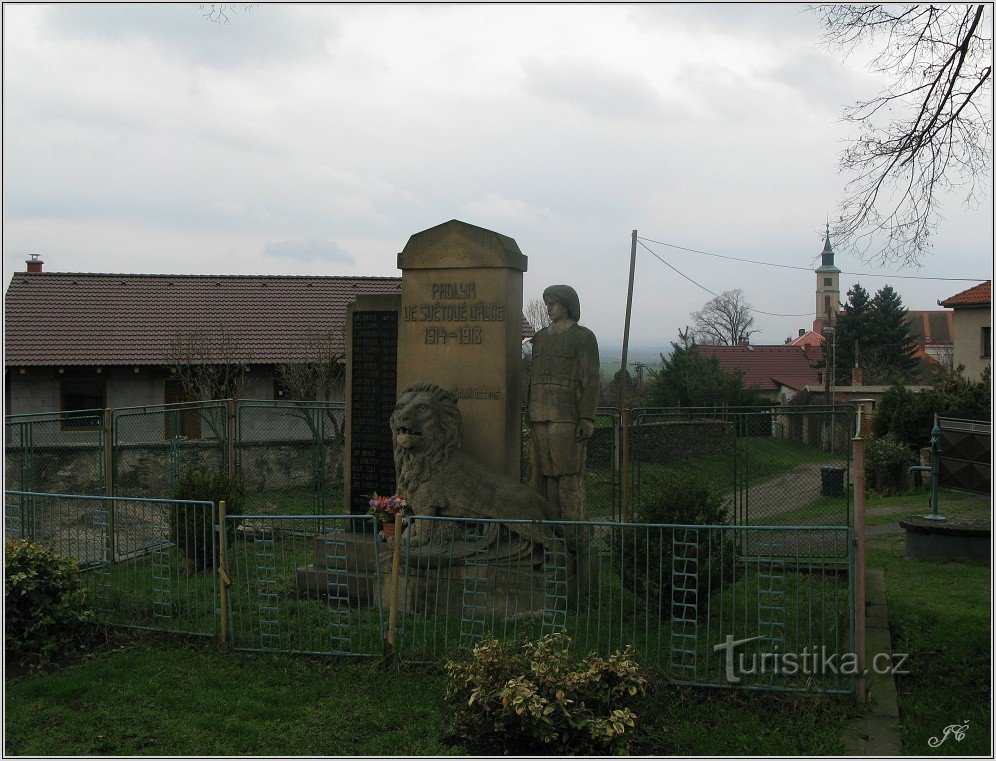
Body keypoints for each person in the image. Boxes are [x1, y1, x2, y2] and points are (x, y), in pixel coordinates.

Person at [527, 285, 599, 591]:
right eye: (547, 303)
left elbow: (591, 378)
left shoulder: (584, 337)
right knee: (544, 476)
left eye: (553, 303)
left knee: (567, 476)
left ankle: (574, 538)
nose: (549, 308)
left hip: (566, 414)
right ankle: (552, 532)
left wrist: (587, 416)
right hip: (538, 411)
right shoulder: (540, 338)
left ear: (567, 306)